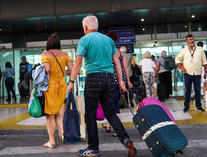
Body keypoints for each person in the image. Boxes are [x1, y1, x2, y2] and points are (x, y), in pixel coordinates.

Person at [66, 15, 136, 157]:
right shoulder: (108, 40)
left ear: (85, 27)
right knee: (110, 113)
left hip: (93, 79)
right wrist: (121, 82)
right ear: (96, 26)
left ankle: (93, 148)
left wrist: (71, 82)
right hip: (110, 79)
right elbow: (117, 62)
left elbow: (78, 62)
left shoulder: (84, 40)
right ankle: (126, 139)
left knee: (90, 116)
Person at [41, 34, 73, 148]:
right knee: (57, 112)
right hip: (62, 86)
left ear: (48, 43)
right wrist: (64, 73)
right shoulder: (65, 55)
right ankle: (63, 133)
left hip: (51, 86)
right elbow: (72, 70)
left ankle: (52, 141)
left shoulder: (46, 54)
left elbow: (47, 69)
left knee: (49, 114)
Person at [102, 32, 133, 137]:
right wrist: (127, 81)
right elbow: (126, 68)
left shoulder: (107, 51)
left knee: (113, 106)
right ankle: (108, 125)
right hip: (121, 81)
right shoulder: (120, 52)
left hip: (111, 81)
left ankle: (118, 129)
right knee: (112, 104)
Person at [175, 34, 207, 113]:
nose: (192, 40)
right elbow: (177, 59)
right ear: (187, 41)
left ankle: (199, 106)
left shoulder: (200, 49)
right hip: (187, 73)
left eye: (192, 39)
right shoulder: (184, 50)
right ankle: (186, 107)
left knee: (197, 90)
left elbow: (204, 61)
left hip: (197, 73)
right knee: (187, 91)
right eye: (190, 39)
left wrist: (205, 71)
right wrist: (181, 67)